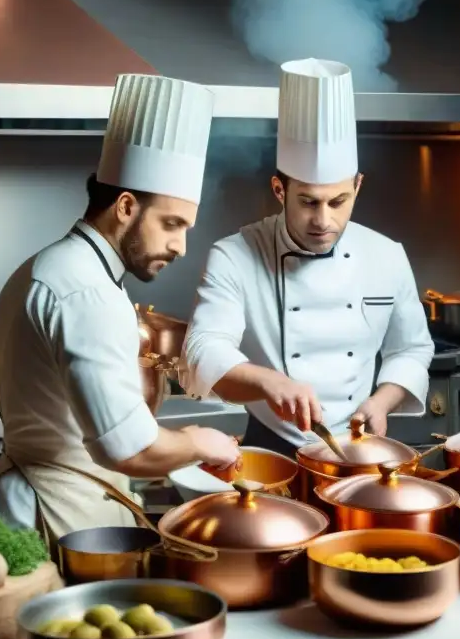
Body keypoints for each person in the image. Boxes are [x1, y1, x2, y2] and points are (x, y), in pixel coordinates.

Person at [0, 74, 241, 544]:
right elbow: (130, 450)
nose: (181, 246)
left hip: (44, 498)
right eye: (171, 224)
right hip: (57, 512)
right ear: (125, 206)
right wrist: (200, 441)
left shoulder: (49, 265)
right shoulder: (86, 292)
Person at [180, 58, 434, 455]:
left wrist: (383, 401)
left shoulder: (387, 256)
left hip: (359, 445)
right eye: (308, 202)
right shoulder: (234, 255)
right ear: (279, 189)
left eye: (338, 201)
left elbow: (412, 349)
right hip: (272, 446)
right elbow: (203, 348)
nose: (323, 220)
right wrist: (269, 382)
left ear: (358, 186)